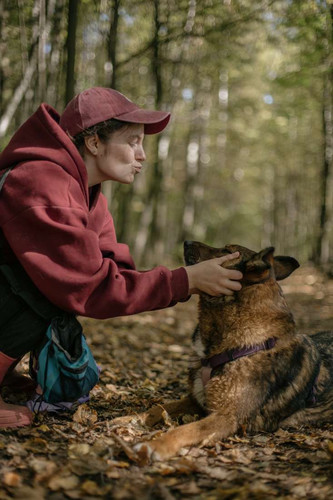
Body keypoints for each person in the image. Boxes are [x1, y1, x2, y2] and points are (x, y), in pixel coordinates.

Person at [0, 87, 242, 428]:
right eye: (132, 142)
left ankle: (6, 377)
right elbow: (88, 286)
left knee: (49, 290)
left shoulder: (89, 195)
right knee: (43, 290)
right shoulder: (43, 182)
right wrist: (185, 280)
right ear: (95, 142)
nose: (142, 155)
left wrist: (185, 280)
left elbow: (116, 273)